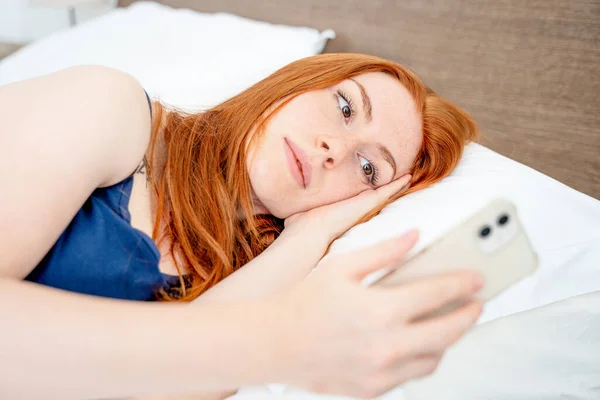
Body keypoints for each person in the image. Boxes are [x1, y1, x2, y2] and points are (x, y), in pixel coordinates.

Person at [0, 53, 483, 399]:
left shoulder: (255, 269)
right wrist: (282, 340)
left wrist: (311, 234)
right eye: (344, 107)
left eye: (368, 168)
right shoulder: (109, 106)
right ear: (296, 81)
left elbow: (180, 388)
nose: (334, 149)